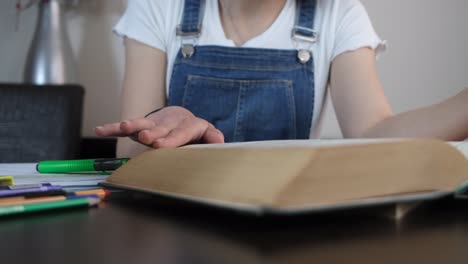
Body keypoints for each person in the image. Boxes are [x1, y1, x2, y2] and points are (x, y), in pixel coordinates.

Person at [95, 0, 468, 158]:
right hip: (174, 221)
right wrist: (166, 132)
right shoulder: (158, 6)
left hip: (286, 229)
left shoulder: (338, 12)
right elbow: (130, 153)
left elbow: (374, 132)